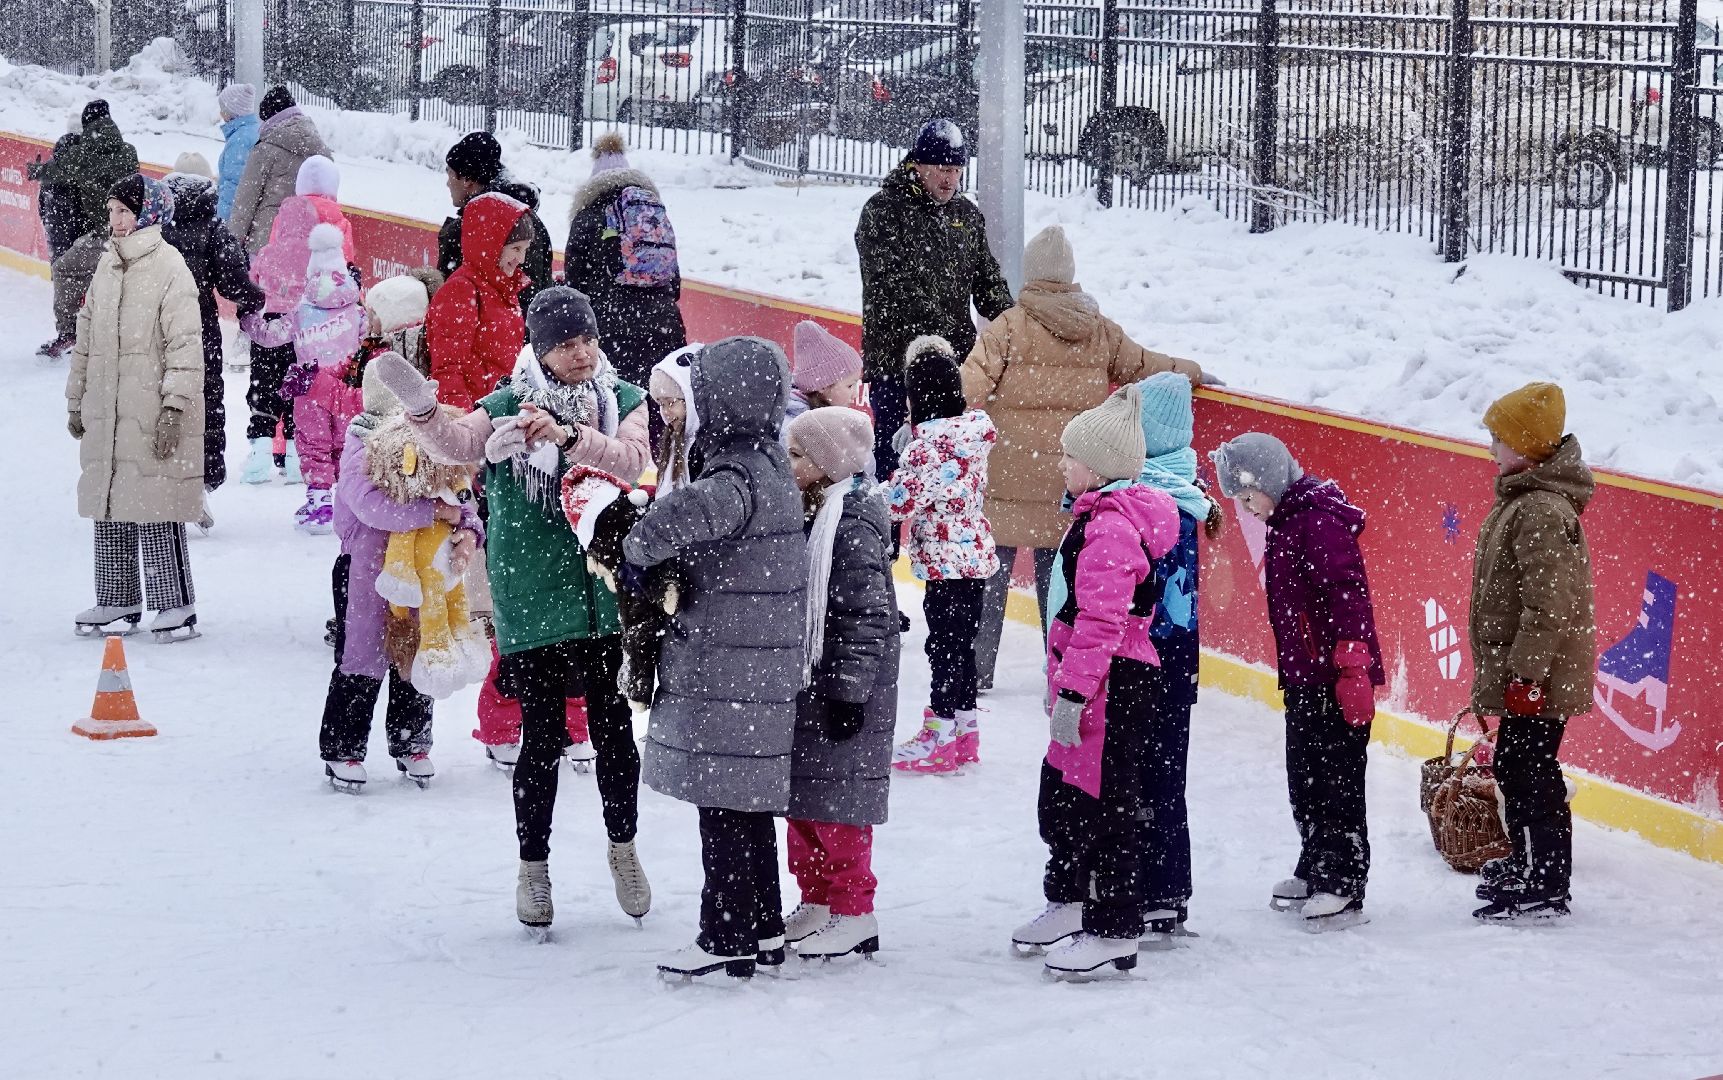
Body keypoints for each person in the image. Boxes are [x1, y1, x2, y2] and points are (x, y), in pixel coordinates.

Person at [377, 287, 654, 932]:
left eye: (587, 338)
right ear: (540, 348)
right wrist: (421, 406)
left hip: (602, 591)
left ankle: (624, 846)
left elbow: (633, 459)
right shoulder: (504, 404)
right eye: (565, 343)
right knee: (543, 738)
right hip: (532, 593)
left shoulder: (624, 400)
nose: (581, 353)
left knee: (615, 731)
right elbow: (453, 442)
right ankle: (534, 866)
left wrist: (570, 438)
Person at [621, 336, 807, 981]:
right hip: (755, 666)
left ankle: (725, 932)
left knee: (722, 807)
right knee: (744, 802)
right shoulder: (771, 464)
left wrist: (635, 545)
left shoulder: (735, 473)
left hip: (730, 667)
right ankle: (760, 926)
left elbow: (676, 521)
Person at [963, 225, 1204, 688]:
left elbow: (968, 386)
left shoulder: (1008, 328)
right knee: (1062, 582)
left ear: (1030, 275)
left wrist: (928, 416)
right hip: (1072, 473)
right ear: (1070, 275)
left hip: (1008, 474)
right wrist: (1191, 372)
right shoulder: (1098, 331)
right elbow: (1146, 366)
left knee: (989, 575)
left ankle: (977, 670)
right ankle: (1061, 668)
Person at [1009, 384, 1179, 977]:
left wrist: (1076, 692)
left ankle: (1114, 926)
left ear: (1098, 468)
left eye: (1069, 457)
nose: (1061, 465)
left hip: (1114, 684)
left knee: (1107, 803)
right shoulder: (1094, 518)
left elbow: (1101, 622)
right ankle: (1070, 899)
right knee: (1065, 795)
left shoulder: (1110, 528)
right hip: (1092, 680)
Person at [1210, 432, 1383, 931]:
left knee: (1337, 781)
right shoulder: (1286, 522)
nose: (1247, 509)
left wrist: (1352, 665)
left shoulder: (1317, 521)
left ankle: (1343, 882)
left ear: (1267, 482)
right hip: (1306, 675)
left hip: (1334, 676)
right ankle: (1316, 866)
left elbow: (1347, 592)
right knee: (1304, 777)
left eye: (1247, 497)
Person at [321, 357, 484, 791]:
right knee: (362, 656)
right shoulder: (361, 445)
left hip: (424, 568)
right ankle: (344, 748)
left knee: (417, 652)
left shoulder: (428, 439)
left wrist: (468, 528)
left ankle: (411, 741)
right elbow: (368, 504)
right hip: (365, 571)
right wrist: (431, 511)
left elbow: (460, 492)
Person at [1469, 382, 1594, 923]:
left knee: (1529, 770)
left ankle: (1544, 881)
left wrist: (1527, 673)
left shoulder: (1540, 508)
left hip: (1538, 676)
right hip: (1530, 672)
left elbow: (1549, 605)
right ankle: (1527, 863)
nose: (1491, 447)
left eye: (1498, 437)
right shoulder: (1524, 497)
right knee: (1520, 767)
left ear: (1525, 445)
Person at [782, 406, 899, 960]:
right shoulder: (812, 511)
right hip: (811, 680)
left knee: (839, 804)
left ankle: (855, 907)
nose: (789, 462)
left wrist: (848, 691)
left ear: (830, 464)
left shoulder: (849, 526)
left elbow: (867, 616)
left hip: (844, 687)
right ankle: (819, 897)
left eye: (800, 454)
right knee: (804, 796)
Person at [66, 174, 204, 643]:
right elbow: (84, 340)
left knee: (156, 504)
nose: (116, 221)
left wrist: (174, 407)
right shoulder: (106, 267)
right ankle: (117, 596)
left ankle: (175, 604)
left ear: (147, 213)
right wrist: (75, 398)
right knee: (111, 504)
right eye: (111, 212)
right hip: (109, 409)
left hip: (151, 412)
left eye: (124, 211)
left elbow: (186, 345)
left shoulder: (170, 267)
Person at [855, 118, 1012, 484]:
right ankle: (886, 541)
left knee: (951, 472)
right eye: (942, 169)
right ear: (919, 165)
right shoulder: (883, 212)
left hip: (952, 368)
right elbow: (891, 289)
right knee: (893, 468)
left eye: (957, 170)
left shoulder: (966, 216)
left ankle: (942, 539)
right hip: (897, 364)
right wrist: (942, 338)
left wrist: (1012, 324)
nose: (950, 179)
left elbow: (988, 280)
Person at [1130, 371, 1223, 941]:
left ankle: (1156, 885)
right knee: (1164, 774)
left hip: (1149, 657)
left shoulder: (1153, 497)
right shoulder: (1186, 485)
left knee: (1145, 775)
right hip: (1176, 659)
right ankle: (1167, 888)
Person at [886, 336, 999, 774]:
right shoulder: (971, 436)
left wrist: (866, 496)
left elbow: (899, 502)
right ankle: (965, 731)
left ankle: (940, 734)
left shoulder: (928, 447)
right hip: (972, 559)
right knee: (961, 646)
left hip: (944, 565)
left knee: (944, 647)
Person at [160, 157, 266, 515]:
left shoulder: (156, 223)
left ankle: (161, 476)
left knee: (164, 398)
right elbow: (233, 281)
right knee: (205, 400)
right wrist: (256, 298)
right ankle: (200, 481)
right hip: (199, 324)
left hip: (157, 325)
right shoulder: (213, 226)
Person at [562, 133, 688, 414]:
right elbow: (674, 283)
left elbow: (574, 289)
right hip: (664, 327)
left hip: (611, 327)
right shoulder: (652, 217)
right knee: (660, 411)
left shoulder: (587, 217)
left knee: (617, 413)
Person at [253, 222, 365, 533]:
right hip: (347, 387)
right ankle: (349, 499)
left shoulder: (302, 312)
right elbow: (372, 338)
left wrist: (248, 319)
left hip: (309, 383)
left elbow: (269, 334)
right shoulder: (357, 311)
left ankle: (319, 501)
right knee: (346, 443)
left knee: (313, 443)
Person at [38, 100, 139, 358]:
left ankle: (69, 332)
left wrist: (36, 169)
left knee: (65, 269)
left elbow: (52, 173)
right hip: (132, 233)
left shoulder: (82, 153)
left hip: (103, 236)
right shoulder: (129, 151)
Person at [426, 191, 534, 411]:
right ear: (491, 243)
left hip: (496, 411)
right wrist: (462, 422)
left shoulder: (503, 288)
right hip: (475, 415)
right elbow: (447, 369)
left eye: (525, 250)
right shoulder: (461, 290)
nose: (521, 259)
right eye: (515, 249)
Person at [439, 131, 554, 316]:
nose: (447, 183)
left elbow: (451, 306)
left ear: (467, 179)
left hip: (490, 338)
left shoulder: (472, 228)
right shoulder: (528, 218)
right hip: (532, 334)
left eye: (450, 174)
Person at [228, 85, 331, 253]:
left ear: (270, 119)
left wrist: (231, 242)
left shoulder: (265, 149)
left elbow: (246, 201)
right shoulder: (321, 150)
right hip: (308, 243)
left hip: (266, 241)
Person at [785, 319, 864, 433]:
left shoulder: (824, 419)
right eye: (850, 386)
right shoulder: (801, 432)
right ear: (822, 385)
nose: (856, 394)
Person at [649, 344, 700, 497]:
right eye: (661, 404)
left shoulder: (701, 449)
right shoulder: (677, 439)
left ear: (692, 397)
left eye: (670, 402)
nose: (665, 412)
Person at [215, 82, 260, 223]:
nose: (220, 113)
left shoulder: (240, 140)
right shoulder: (255, 130)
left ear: (233, 112)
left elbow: (233, 184)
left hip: (238, 217)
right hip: (253, 212)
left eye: (223, 109)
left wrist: (221, 221)